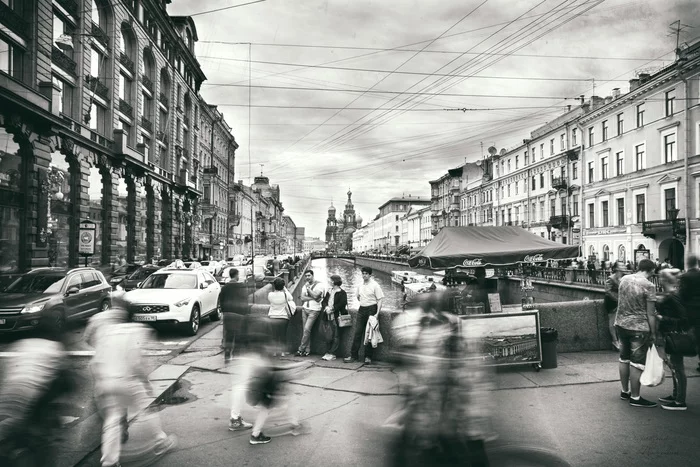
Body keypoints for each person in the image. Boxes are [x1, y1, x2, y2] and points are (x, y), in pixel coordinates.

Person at [85, 295, 176, 467]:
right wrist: (146, 382)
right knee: (148, 408)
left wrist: (99, 383)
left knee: (112, 419)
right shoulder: (136, 330)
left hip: (107, 381)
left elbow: (96, 361)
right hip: (128, 380)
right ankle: (160, 440)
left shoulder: (106, 332)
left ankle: (109, 461)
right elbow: (136, 363)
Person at [0, 319, 73, 467]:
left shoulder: (20, 344)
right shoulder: (55, 347)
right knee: (39, 438)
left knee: (7, 434)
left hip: (7, 395)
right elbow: (68, 381)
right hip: (32, 395)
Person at [614, 258, 658, 407]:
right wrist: (653, 332)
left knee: (624, 358)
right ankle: (635, 397)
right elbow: (650, 313)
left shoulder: (624, 279)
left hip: (620, 323)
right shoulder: (649, 285)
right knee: (637, 363)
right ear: (651, 270)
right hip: (638, 327)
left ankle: (624, 391)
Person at [655, 268, 691, 411]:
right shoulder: (671, 294)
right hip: (669, 334)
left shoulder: (673, 296)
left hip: (674, 335)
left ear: (664, 280)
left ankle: (680, 401)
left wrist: (663, 318)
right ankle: (676, 395)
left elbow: (683, 319)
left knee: (678, 367)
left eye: (660, 278)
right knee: (674, 366)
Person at [344, 266, 384, 364]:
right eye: (363, 273)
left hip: (372, 309)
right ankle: (353, 355)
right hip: (362, 309)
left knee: (370, 334)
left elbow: (380, 300)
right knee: (357, 333)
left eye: (366, 273)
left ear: (370, 275)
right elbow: (358, 297)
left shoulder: (375, 285)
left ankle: (368, 357)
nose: (364, 275)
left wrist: (377, 314)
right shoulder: (360, 286)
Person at [220, 268, 250, 362]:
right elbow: (245, 300)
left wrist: (224, 311)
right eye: (238, 275)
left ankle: (227, 354)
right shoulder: (241, 287)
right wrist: (245, 312)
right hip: (239, 314)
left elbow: (221, 301)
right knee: (238, 334)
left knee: (229, 334)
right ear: (236, 275)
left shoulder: (224, 287)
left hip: (228, 314)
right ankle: (235, 354)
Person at [679, 254, 700, 372]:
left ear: (688, 263)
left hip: (691, 309)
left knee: (694, 335)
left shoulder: (686, 276)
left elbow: (683, 294)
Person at [296, 270, 325, 357]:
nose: (307, 277)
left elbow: (317, 296)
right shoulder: (305, 285)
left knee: (307, 329)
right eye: (306, 276)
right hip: (305, 309)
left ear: (313, 275)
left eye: (309, 276)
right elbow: (302, 298)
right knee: (306, 330)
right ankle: (307, 350)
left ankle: (301, 349)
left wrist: (309, 290)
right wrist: (313, 298)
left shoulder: (320, 285)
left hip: (314, 310)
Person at [319, 274, 348, 361]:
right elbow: (324, 302)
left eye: (331, 280)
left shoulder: (342, 293)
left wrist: (332, 308)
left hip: (337, 316)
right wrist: (326, 308)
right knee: (328, 335)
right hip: (327, 316)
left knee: (336, 335)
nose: (330, 282)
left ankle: (332, 353)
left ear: (335, 282)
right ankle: (328, 352)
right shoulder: (329, 291)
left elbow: (342, 303)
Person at [267, 277, 294, 356]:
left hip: (272, 317)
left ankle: (274, 352)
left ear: (274, 286)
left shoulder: (270, 295)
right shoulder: (285, 295)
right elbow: (291, 298)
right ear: (283, 286)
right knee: (283, 335)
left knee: (274, 335)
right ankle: (282, 352)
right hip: (283, 317)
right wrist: (284, 288)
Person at [605, 261, 624, 350]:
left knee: (620, 322)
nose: (623, 266)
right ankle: (615, 340)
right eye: (621, 265)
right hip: (612, 303)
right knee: (612, 322)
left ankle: (620, 339)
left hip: (621, 302)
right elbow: (608, 291)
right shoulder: (611, 278)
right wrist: (617, 299)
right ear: (616, 268)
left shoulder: (623, 277)